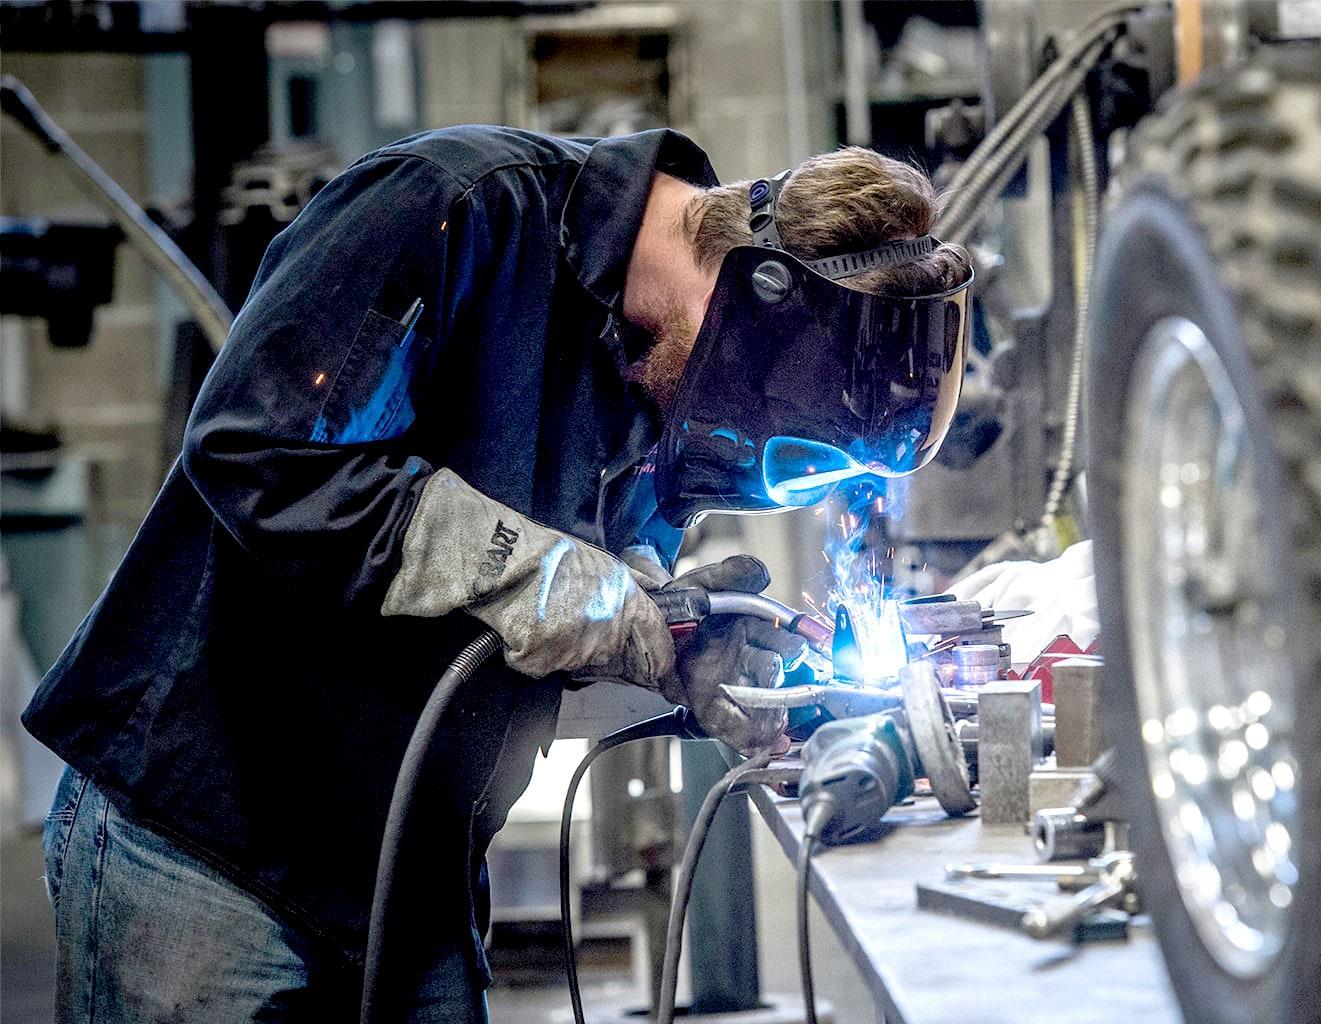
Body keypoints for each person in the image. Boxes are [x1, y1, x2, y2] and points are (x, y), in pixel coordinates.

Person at [22, 125, 970, 1022]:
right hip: (207, 843)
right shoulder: (451, 206)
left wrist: (670, 639)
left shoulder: (663, 377)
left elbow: (583, 592)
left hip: (415, 872)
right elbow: (257, 452)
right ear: (752, 304)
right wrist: (537, 576)